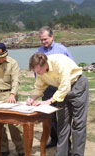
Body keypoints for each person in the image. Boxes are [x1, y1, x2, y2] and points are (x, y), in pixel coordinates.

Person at [27, 52, 89, 156]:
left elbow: (65, 86)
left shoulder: (59, 62)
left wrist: (48, 101)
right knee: (62, 124)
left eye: (38, 71)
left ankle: (77, 154)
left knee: (79, 123)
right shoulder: (39, 71)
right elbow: (39, 86)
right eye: (35, 71)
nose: (38, 73)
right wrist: (33, 99)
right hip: (60, 91)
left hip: (77, 85)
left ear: (45, 64)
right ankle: (61, 154)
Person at [37, 26, 73, 154]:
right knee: (49, 117)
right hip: (47, 88)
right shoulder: (39, 51)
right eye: (41, 40)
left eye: (45, 39)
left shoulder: (62, 49)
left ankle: (66, 144)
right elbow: (37, 71)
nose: (43, 42)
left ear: (52, 37)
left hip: (61, 88)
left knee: (64, 117)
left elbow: (71, 65)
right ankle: (54, 139)